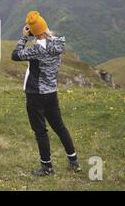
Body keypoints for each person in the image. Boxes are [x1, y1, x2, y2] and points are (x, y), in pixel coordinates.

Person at [11, 11, 81, 176]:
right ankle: (74, 161)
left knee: (40, 131)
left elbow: (15, 55)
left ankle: (47, 167)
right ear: (45, 26)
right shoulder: (58, 44)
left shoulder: (36, 50)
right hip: (51, 92)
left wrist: (24, 38)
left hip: (35, 94)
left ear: (33, 31)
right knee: (60, 127)